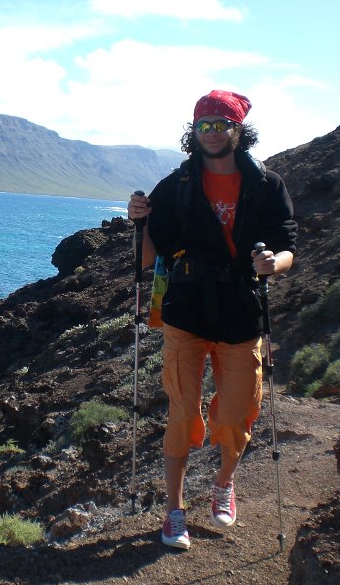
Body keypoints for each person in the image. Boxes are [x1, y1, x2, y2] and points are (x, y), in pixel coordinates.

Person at [127, 90, 297, 550]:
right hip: (186, 310)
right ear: (194, 131)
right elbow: (147, 259)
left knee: (238, 412)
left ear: (239, 130)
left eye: (222, 124)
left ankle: (224, 484)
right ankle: (174, 511)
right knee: (182, 411)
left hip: (242, 311)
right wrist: (138, 222)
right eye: (205, 125)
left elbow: (287, 246)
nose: (213, 133)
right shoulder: (176, 185)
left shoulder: (266, 185)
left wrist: (273, 264)